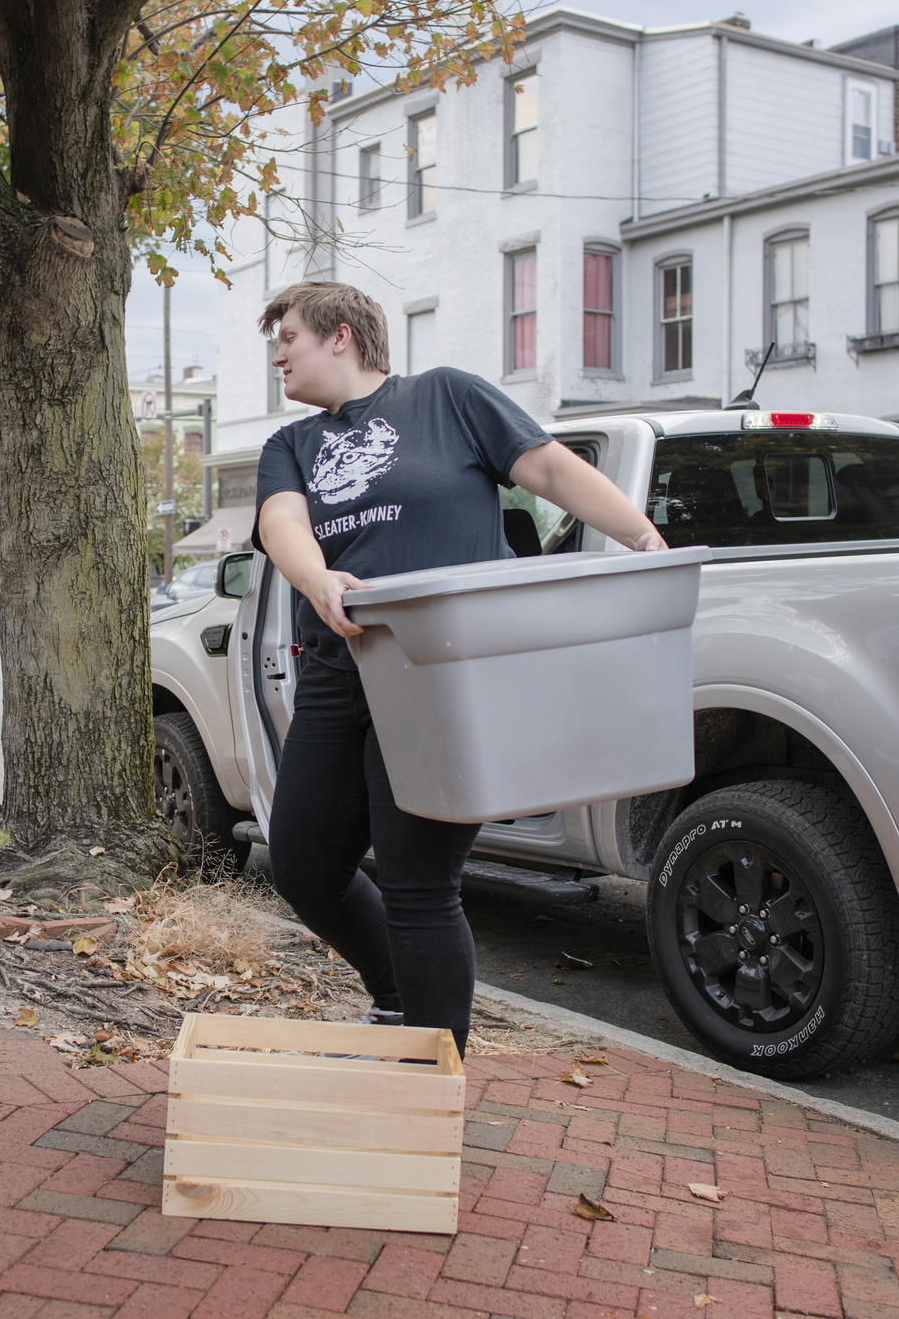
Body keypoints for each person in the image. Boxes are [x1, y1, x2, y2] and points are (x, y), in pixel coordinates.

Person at [252, 282, 667, 1057]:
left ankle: (431, 1075)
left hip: (442, 673)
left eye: (289, 337)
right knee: (303, 865)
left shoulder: (447, 398)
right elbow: (282, 523)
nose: (278, 354)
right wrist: (320, 580)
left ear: (340, 336)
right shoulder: (292, 444)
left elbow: (547, 472)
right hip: (342, 671)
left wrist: (640, 536)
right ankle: (395, 996)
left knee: (416, 881)